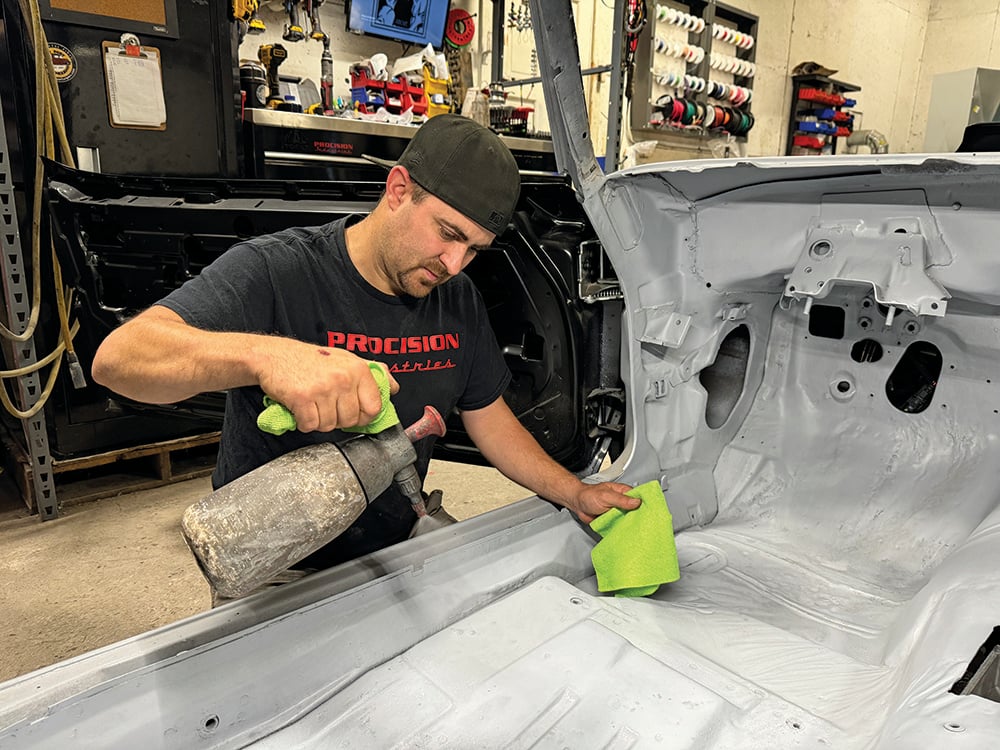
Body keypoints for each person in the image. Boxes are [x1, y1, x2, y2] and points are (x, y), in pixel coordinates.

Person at [91, 114, 638, 586]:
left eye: (474, 249)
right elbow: (119, 360)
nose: (454, 264)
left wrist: (573, 492)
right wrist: (269, 357)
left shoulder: (458, 299)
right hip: (274, 565)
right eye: (448, 234)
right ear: (398, 189)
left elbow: (490, 419)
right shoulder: (278, 270)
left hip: (394, 553)